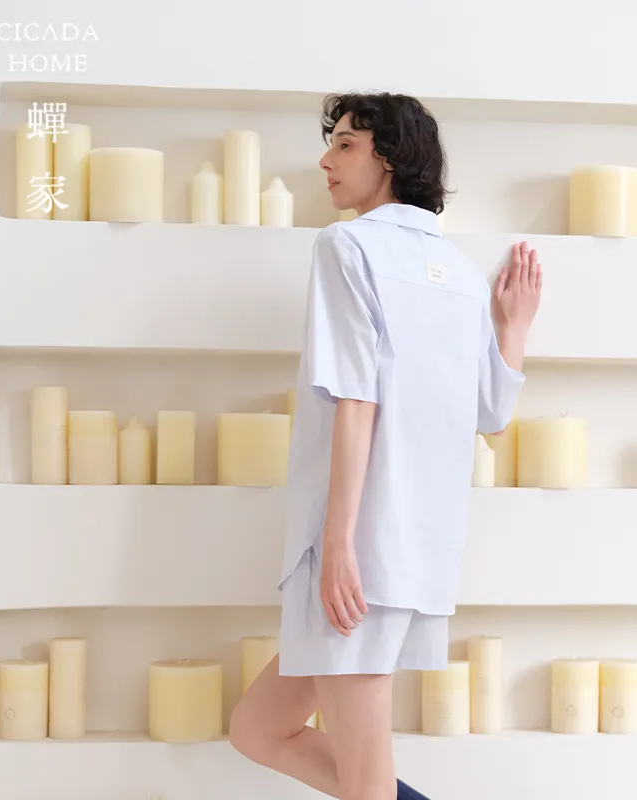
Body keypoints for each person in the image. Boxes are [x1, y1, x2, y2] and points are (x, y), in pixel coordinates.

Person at [229, 92, 542, 800]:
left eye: (345, 144)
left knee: (363, 777)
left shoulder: (347, 246)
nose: (326, 160)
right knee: (258, 728)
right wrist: (513, 327)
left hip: (357, 550)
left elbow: (357, 397)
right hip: (417, 552)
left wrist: (339, 544)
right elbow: (493, 414)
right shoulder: (461, 276)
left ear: (392, 158)